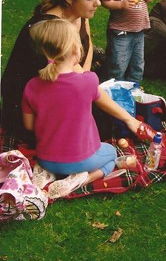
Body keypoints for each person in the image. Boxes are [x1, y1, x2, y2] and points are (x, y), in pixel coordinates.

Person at [22, 19, 146, 198]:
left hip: (46, 158)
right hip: (82, 161)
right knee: (111, 155)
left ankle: (47, 173)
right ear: (75, 49)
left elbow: (28, 125)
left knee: (55, 160)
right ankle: (81, 179)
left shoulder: (32, 86)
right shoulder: (88, 81)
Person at [1, 0, 103, 145]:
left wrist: (86, 78)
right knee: (104, 123)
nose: (98, 3)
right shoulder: (53, 30)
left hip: (61, 91)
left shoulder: (80, 13)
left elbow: (87, 47)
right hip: (31, 111)